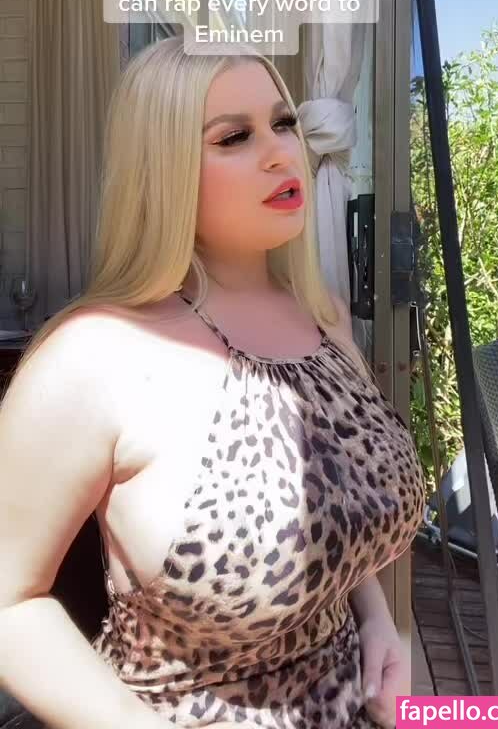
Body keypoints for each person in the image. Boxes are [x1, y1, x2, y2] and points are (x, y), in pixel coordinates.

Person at [0, 39, 425, 729]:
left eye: (283, 123)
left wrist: (377, 621)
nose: (281, 153)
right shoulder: (90, 358)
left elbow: (338, 508)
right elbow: (8, 603)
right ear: (162, 170)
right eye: (234, 137)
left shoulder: (323, 317)